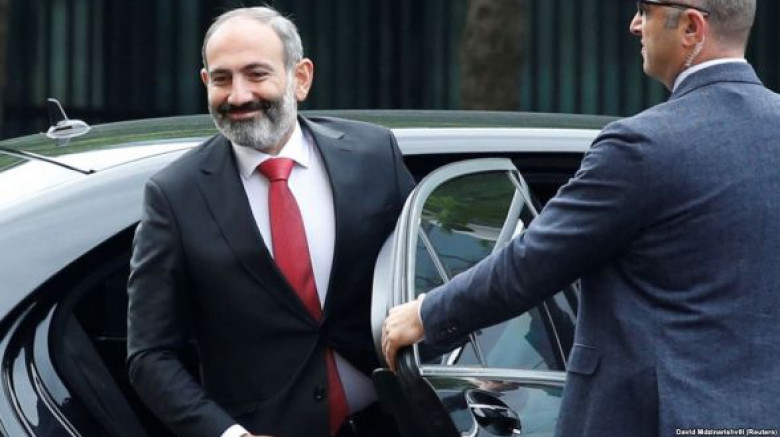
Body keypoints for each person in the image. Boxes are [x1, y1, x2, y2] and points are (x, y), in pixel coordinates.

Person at [383, 0, 780, 435]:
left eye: (645, 10)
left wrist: (426, 314)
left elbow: (534, 261)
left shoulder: (641, 146)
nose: (634, 25)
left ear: (691, 27)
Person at [127, 6, 414, 437]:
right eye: (222, 79)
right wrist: (228, 434)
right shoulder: (175, 195)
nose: (238, 95)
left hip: (395, 423)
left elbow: (435, 274)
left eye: (256, 74)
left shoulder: (373, 155)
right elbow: (149, 355)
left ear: (301, 78)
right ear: (205, 83)